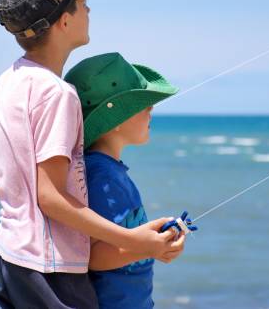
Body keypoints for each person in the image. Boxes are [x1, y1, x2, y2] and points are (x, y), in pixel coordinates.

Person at [0, 0, 182, 308]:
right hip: (49, 267)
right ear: (64, 21)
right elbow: (51, 197)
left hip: (9, 255)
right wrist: (135, 241)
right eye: (81, 2)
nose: (88, 7)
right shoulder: (56, 93)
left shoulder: (8, 82)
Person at [64, 52, 186, 308]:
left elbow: (122, 238)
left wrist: (158, 239)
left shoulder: (109, 170)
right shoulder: (102, 175)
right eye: (143, 105)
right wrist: (149, 248)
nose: (150, 110)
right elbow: (95, 256)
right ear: (115, 118)